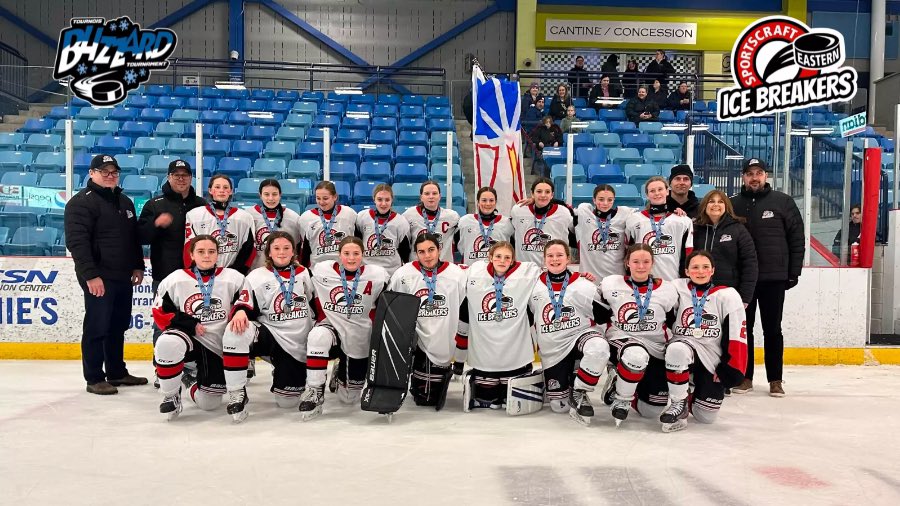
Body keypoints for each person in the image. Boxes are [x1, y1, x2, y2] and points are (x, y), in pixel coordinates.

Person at [65, 154, 148, 395]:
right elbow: (77, 242)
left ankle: (116, 372)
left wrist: (137, 265)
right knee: (97, 326)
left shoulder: (124, 201)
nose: (110, 175)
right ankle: (94, 377)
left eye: (114, 172)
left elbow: (132, 239)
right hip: (98, 275)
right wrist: (91, 275)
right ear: (92, 173)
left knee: (118, 325)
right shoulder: (80, 203)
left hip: (122, 274)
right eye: (104, 171)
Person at [152, 234, 254, 421]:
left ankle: (188, 379)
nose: (206, 256)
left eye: (211, 251)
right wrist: (189, 324)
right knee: (166, 342)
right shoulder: (175, 279)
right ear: (191, 255)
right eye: (201, 251)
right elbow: (160, 312)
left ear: (218, 254)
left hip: (218, 345)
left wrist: (241, 311)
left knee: (209, 404)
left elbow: (246, 301)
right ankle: (171, 394)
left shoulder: (233, 277)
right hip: (189, 339)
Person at [730, 158, 804, 397]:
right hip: (743, 281)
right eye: (750, 173)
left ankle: (775, 379)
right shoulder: (733, 204)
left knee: (773, 329)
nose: (755, 177)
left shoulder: (783, 202)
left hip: (774, 278)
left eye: (759, 173)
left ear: (766, 176)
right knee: (745, 330)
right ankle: (745, 377)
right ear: (743, 176)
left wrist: (793, 272)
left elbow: (797, 239)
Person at [222, 231, 315, 416]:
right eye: (277, 248)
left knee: (287, 402)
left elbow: (316, 304)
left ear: (293, 252)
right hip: (270, 335)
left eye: (286, 248)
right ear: (269, 253)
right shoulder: (256, 276)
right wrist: (240, 311)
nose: (281, 252)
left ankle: (281, 366)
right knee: (235, 331)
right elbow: (245, 303)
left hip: (297, 343)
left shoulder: (305, 273)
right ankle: (237, 392)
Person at [299, 237, 390, 420]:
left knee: (349, 399)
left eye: (356, 253)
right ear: (339, 255)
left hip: (359, 333)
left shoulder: (378, 275)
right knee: (317, 336)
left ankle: (341, 369)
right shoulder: (322, 270)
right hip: (331, 327)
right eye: (346, 253)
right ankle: (315, 390)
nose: (351, 258)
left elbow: (385, 305)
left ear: (363, 255)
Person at [662, 251, 748, 432]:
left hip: (711, 358)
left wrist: (730, 369)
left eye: (705, 267)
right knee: (677, 349)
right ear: (686, 271)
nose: (700, 271)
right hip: (683, 348)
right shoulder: (677, 288)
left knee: (705, 417)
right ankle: (679, 404)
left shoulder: (727, 295)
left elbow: (736, 335)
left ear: (713, 270)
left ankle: (690, 387)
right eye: (695, 267)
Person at [596, 244, 680, 425]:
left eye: (645, 261)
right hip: (622, 341)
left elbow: (673, 321)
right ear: (627, 263)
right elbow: (597, 314)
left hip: (656, 347)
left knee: (650, 411)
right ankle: (622, 398)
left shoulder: (667, 289)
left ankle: (623, 380)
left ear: (652, 263)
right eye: (635, 261)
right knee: (636, 354)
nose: (641, 266)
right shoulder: (611, 284)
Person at [137, 159, 207, 376]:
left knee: (197, 319)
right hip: (165, 275)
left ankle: (194, 365)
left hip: (197, 277)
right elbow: (140, 236)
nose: (180, 178)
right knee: (163, 321)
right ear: (168, 177)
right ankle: (162, 368)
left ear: (190, 178)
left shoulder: (201, 204)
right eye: (176, 174)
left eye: (185, 174)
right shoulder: (155, 204)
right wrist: (156, 224)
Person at [531, 240, 610, 425]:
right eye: (550, 256)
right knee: (560, 407)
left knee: (598, 348)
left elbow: (604, 316)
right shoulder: (532, 286)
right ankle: (563, 377)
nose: (555, 259)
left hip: (579, 337)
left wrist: (596, 287)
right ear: (544, 260)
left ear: (568, 258)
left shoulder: (583, 285)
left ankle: (580, 390)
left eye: (559, 255)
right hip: (553, 351)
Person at [456, 241, 542, 410]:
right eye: (498, 256)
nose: (502, 261)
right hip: (484, 354)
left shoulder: (526, 273)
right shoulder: (474, 273)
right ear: (490, 258)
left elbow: (553, 276)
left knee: (509, 397)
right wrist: (459, 358)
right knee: (489, 400)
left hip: (515, 353)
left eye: (507, 257)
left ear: (513, 260)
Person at [389, 233, 467, 408]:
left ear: (440, 249)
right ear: (416, 253)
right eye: (421, 252)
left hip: (444, 337)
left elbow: (462, 305)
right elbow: (394, 307)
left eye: (431, 250)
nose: (427, 255)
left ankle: (438, 370)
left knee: (430, 398)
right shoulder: (403, 274)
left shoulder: (456, 275)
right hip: (416, 340)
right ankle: (414, 370)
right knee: (423, 399)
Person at [693, 190, 758, 307]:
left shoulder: (738, 229)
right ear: (704, 205)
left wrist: (745, 297)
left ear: (726, 206)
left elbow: (750, 263)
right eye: (711, 201)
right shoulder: (695, 229)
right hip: (698, 292)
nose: (716, 205)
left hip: (729, 292)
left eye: (720, 201)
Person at [183, 174, 256, 274]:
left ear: (231, 191)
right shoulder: (195, 215)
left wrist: (237, 271)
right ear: (210, 190)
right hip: (202, 273)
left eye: (226, 187)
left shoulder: (244, 217)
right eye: (217, 187)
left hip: (232, 275)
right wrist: (195, 271)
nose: (222, 190)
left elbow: (250, 248)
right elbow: (189, 246)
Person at [625, 176, 693, 281]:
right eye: (652, 191)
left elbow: (688, 254)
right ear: (647, 195)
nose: (657, 193)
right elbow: (627, 251)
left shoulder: (682, 221)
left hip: (672, 281)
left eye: (660, 189)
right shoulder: (634, 219)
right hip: (641, 281)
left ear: (667, 191)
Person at [575, 184, 636, 282]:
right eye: (601, 199)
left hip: (617, 279)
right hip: (590, 279)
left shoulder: (624, 215)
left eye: (610, 200)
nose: (605, 203)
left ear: (614, 200)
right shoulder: (584, 215)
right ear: (594, 200)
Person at [510, 177, 575, 266]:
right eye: (539, 191)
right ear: (532, 193)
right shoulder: (518, 210)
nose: (543, 195)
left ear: (552, 195)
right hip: (524, 271)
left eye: (547, 192)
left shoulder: (563, 213)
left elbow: (577, 227)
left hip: (553, 269)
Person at [298, 181, 358, 268]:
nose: (321, 202)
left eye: (325, 198)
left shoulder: (349, 214)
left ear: (335, 197)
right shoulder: (306, 218)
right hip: (317, 270)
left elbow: (358, 242)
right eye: (318, 198)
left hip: (343, 268)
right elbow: (305, 251)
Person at [354, 184, 410, 276]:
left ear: (392, 200)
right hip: (367, 271)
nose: (383, 204)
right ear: (374, 199)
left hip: (392, 272)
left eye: (387, 200)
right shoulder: (362, 217)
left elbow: (405, 252)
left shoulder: (400, 221)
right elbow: (356, 245)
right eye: (379, 199)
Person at [246, 179, 303, 270]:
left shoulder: (293, 217)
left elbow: (298, 248)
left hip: (284, 272)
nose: (271, 198)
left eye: (275, 194)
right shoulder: (248, 215)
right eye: (266, 194)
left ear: (280, 195)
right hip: (256, 271)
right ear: (260, 195)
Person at [403, 180, 460, 263]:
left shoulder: (452, 216)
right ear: (421, 197)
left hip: (443, 267)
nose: (431, 196)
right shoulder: (409, 215)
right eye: (427, 194)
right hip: (418, 267)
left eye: (434, 193)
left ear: (440, 196)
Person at [455, 186, 515, 266]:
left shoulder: (506, 223)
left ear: (495, 202)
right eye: (484, 200)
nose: (488, 204)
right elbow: (458, 246)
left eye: (491, 200)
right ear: (478, 202)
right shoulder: (465, 221)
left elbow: (512, 249)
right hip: (471, 273)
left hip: (496, 273)